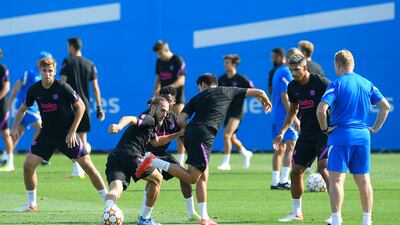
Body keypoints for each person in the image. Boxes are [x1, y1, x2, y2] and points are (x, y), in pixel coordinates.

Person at [136, 73, 272, 225]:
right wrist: (265, 100)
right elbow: (259, 92)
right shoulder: (227, 90)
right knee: (193, 178)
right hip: (204, 135)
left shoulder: (196, 98)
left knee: (202, 176)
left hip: (195, 133)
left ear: (202, 85)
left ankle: (204, 217)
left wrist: (192, 130)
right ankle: (154, 161)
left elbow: (181, 119)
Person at [11, 57, 108, 212]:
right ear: (40, 71)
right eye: (45, 71)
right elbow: (23, 109)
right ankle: (31, 204)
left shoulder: (62, 87)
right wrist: (15, 126)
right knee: (28, 165)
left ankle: (109, 203)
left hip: (66, 135)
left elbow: (81, 107)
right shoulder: (34, 89)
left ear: (55, 72)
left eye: (50, 71)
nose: (48, 74)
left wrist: (72, 131)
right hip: (47, 135)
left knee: (88, 166)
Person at [316, 50, 390, 225]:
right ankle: (367, 220)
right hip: (363, 137)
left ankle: (336, 219)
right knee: (364, 180)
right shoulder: (366, 83)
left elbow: (321, 109)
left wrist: (325, 129)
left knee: (336, 180)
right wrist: (375, 128)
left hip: (340, 136)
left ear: (337, 64)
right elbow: (385, 107)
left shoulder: (336, 83)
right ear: (353, 64)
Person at [273, 53, 330, 222]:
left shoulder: (321, 83)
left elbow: (338, 101)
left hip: (324, 133)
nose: (294, 73)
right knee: (296, 172)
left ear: (305, 67)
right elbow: (292, 111)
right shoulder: (292, 86)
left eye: (297, 69)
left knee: (324, 169)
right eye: (291, 70)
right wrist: (282, 132)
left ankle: (336, 214)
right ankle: (297, 212)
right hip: (306, 134)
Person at [105, 97, 172, 225]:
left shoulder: (152, 125)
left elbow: (155, 141)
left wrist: (177, 134)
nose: (165, 115)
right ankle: (145, 219)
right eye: (162, 110)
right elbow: (129, 118)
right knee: (158, 178)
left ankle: (109, 211)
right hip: (131, 155)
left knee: (116, 190)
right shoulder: (149, 118)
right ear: (153, 108)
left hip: (116, 156)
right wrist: (119, 126)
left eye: (166, 112)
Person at [144, 87, 200, 221]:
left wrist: (193, 154)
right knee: (155, 177)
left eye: (169, 100)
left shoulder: (173, 118)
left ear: (174, 102)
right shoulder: (148, 117)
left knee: (184, 176)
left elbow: (183, 138)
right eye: (163, 100)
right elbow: (154, 143)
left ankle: (192, 213)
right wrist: (176, 134)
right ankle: (145, 216)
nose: (166, 104)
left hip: (161, 155)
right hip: (143, 155)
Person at [60, 37, 105, 178]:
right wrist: (99, 107)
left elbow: (62, 84)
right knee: (83, 138)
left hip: (70, 105)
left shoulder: (67, 61)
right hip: (84, 105)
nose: (68, 49)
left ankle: (77, 168)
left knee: (70, 137)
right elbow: (96, 88)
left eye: (68, 46)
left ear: (72, 47)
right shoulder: (90, 64)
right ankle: (84, 168)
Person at [6, 52, 51, 167]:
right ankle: (35, 153)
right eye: (44, 60)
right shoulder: (30, 73)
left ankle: (6, 156)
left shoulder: (44, 75)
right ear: (39, 61)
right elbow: (17, 86)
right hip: (26, 106)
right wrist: (10, 103)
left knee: (19, 132)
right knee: (40, 127)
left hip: (34, 107)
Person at [269, 48, 301, 190]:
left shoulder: (278, 71)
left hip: (276, 115)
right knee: (290, 147)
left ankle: (275, 181)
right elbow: (284, 96)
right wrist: (293, 117)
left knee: (279, 148)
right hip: (284, 116)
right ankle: (283, 180)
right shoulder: (287, 72)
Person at [217, 54, 254, 170]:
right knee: (232, 138)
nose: (225, 65)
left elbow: (253, 90)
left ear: (234, 64)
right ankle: (245, 153)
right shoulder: (221, 79)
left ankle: (226, 163)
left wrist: (263, 100)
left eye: (227, 62)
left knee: (226, 135)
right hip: (226, 111)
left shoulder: (241, 79)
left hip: (237, 111)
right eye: (225, 62)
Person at [153, 40, 187, 166]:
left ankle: (181, 160)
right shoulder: (159, 62)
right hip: (162, 102)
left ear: (166, 49)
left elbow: (181, 81)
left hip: (176, 101)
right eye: (158, 54)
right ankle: (156, 156)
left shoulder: (178, 60)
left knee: (179, 129)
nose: (159, 56)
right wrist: (155, 93)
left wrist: (166, 90)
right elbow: (157, 79)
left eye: (160, 53)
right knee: (159, 128)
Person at [0, 48, 15, 172]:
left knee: (5, 133)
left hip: (2, 107)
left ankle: (10, 163)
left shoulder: (3, 69)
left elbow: (7, 87)